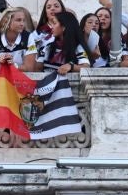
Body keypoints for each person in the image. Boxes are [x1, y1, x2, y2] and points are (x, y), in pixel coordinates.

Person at [28, 11, 86, 140]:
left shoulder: (77, 47)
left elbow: (86, 66)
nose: (51, 27)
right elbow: (37, 69)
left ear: (64, 27)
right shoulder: (48, 46)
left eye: (54, 23)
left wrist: (70, 66)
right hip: (46, 95)